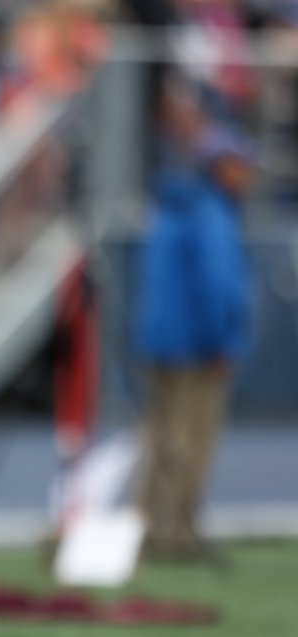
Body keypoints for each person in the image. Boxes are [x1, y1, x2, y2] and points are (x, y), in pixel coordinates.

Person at [133, 110, 253, 562]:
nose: (246, 174)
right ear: (217, 166)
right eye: (237, 164)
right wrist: (222, 338)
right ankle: (177, 532)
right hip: (198, 346)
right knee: (191, 440)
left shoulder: (170, 206)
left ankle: (146, 526)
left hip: (160, 338)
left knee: (160, 438)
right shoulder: (212, 214)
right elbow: (217, 284)